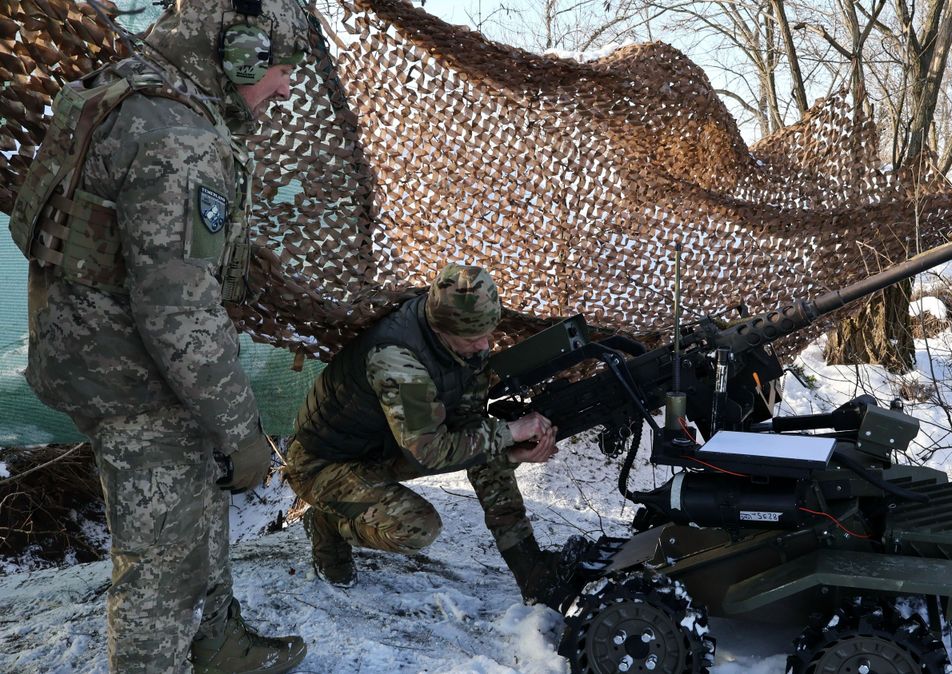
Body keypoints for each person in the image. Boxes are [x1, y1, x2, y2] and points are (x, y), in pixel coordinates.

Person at [10, 0, 314, 671]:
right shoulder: (179, 135)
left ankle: (216, 640)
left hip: (100, 354)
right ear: (240, 53)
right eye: (282, 69)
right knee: (160, 570)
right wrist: (242, 430)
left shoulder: (133, 87)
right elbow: (178, 310)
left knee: (197, 505)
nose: (286, 87)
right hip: (137, 380)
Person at [285, 263, 565, 601]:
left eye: (488, 332)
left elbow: (470, 429)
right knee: (415, 528)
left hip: (385, 449)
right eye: (472, 338)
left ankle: (531, 569)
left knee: (489, 444)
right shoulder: (397, 360)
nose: (484, 346)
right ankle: (328, 523)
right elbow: (429, 453)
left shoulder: (464, 340)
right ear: (439, 329)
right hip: (321, 464)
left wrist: (509, 452)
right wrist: (508, 432)